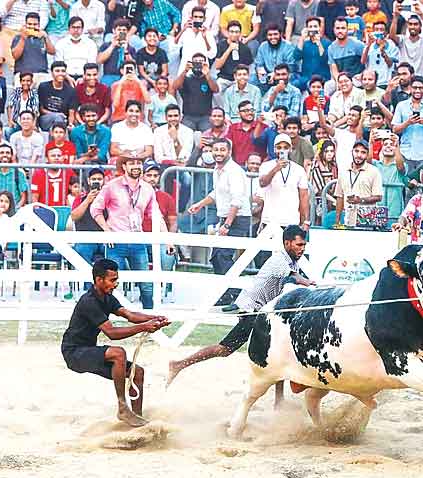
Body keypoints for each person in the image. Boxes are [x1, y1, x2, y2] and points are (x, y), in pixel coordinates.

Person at [165, 225, 313, 396]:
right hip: (252, 309)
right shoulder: (280, 260)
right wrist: (309, 283)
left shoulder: (291, 260)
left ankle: (279, 400)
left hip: (260, 311)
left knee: (277, 352)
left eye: (304, 245)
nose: (302, 249)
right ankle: (178, 364)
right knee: (225, 349)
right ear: (287, 243)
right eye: (299, 245)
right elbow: (294, 278)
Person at [61, 258, 171, 427]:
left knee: (138, 373)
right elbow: (111, 333)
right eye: (112, 280)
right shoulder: (89, 301)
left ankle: (136, 418)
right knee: (118, 353)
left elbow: (130, 316)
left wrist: (154, 319)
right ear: (99, 280)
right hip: (74, 353)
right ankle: (122, 407)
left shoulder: (107, 297)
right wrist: (145, 327)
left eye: (116, 280)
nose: (115, 284)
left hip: (88, 350)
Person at [91, 155, 170, 309]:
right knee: (110, 285)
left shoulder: (147, 189)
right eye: (132, 163)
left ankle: (150, 320)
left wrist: (167, 238)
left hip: (137, 241)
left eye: (139, 163)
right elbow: (95, 209)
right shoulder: (111, 186)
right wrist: (106, 231)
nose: (136, 166)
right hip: (116, 242)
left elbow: (155, 215)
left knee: (146, 285)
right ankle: (106, 320)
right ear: (124, 167)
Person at [186, 137, 253, 274]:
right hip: (225, 218)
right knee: (216, 257)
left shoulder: (234, 171)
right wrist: (200, 205)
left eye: (222, 150)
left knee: (223, 256)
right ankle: (226, 292)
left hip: (238, 220)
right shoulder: (217, 169)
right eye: (216, 150)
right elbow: (216, 193)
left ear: (229, 151)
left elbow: (236, 201)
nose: (218, 153)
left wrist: (227, 224)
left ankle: (233, 291)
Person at [257, 133, 311, 233]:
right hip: (269, 220)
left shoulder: (298, 169)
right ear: (274, 149)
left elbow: (304, 196)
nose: (282, 150)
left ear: (290, 149)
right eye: (279, 147)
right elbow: (262, 183)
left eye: (285, 147)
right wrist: (275, 169)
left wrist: (306, 220)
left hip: (291, 220)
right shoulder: (266, 166)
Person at [333, 140, 384, 226]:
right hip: (348, 219)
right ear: (352, 152)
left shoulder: (374, 171)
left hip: (367, 219)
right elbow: (339, 196)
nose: (359, 155)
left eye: (363, 152)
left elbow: (378, 197)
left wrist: (360, 200)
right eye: (356, 151)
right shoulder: (343, 171)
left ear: (367, 155)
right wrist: (337, 221)